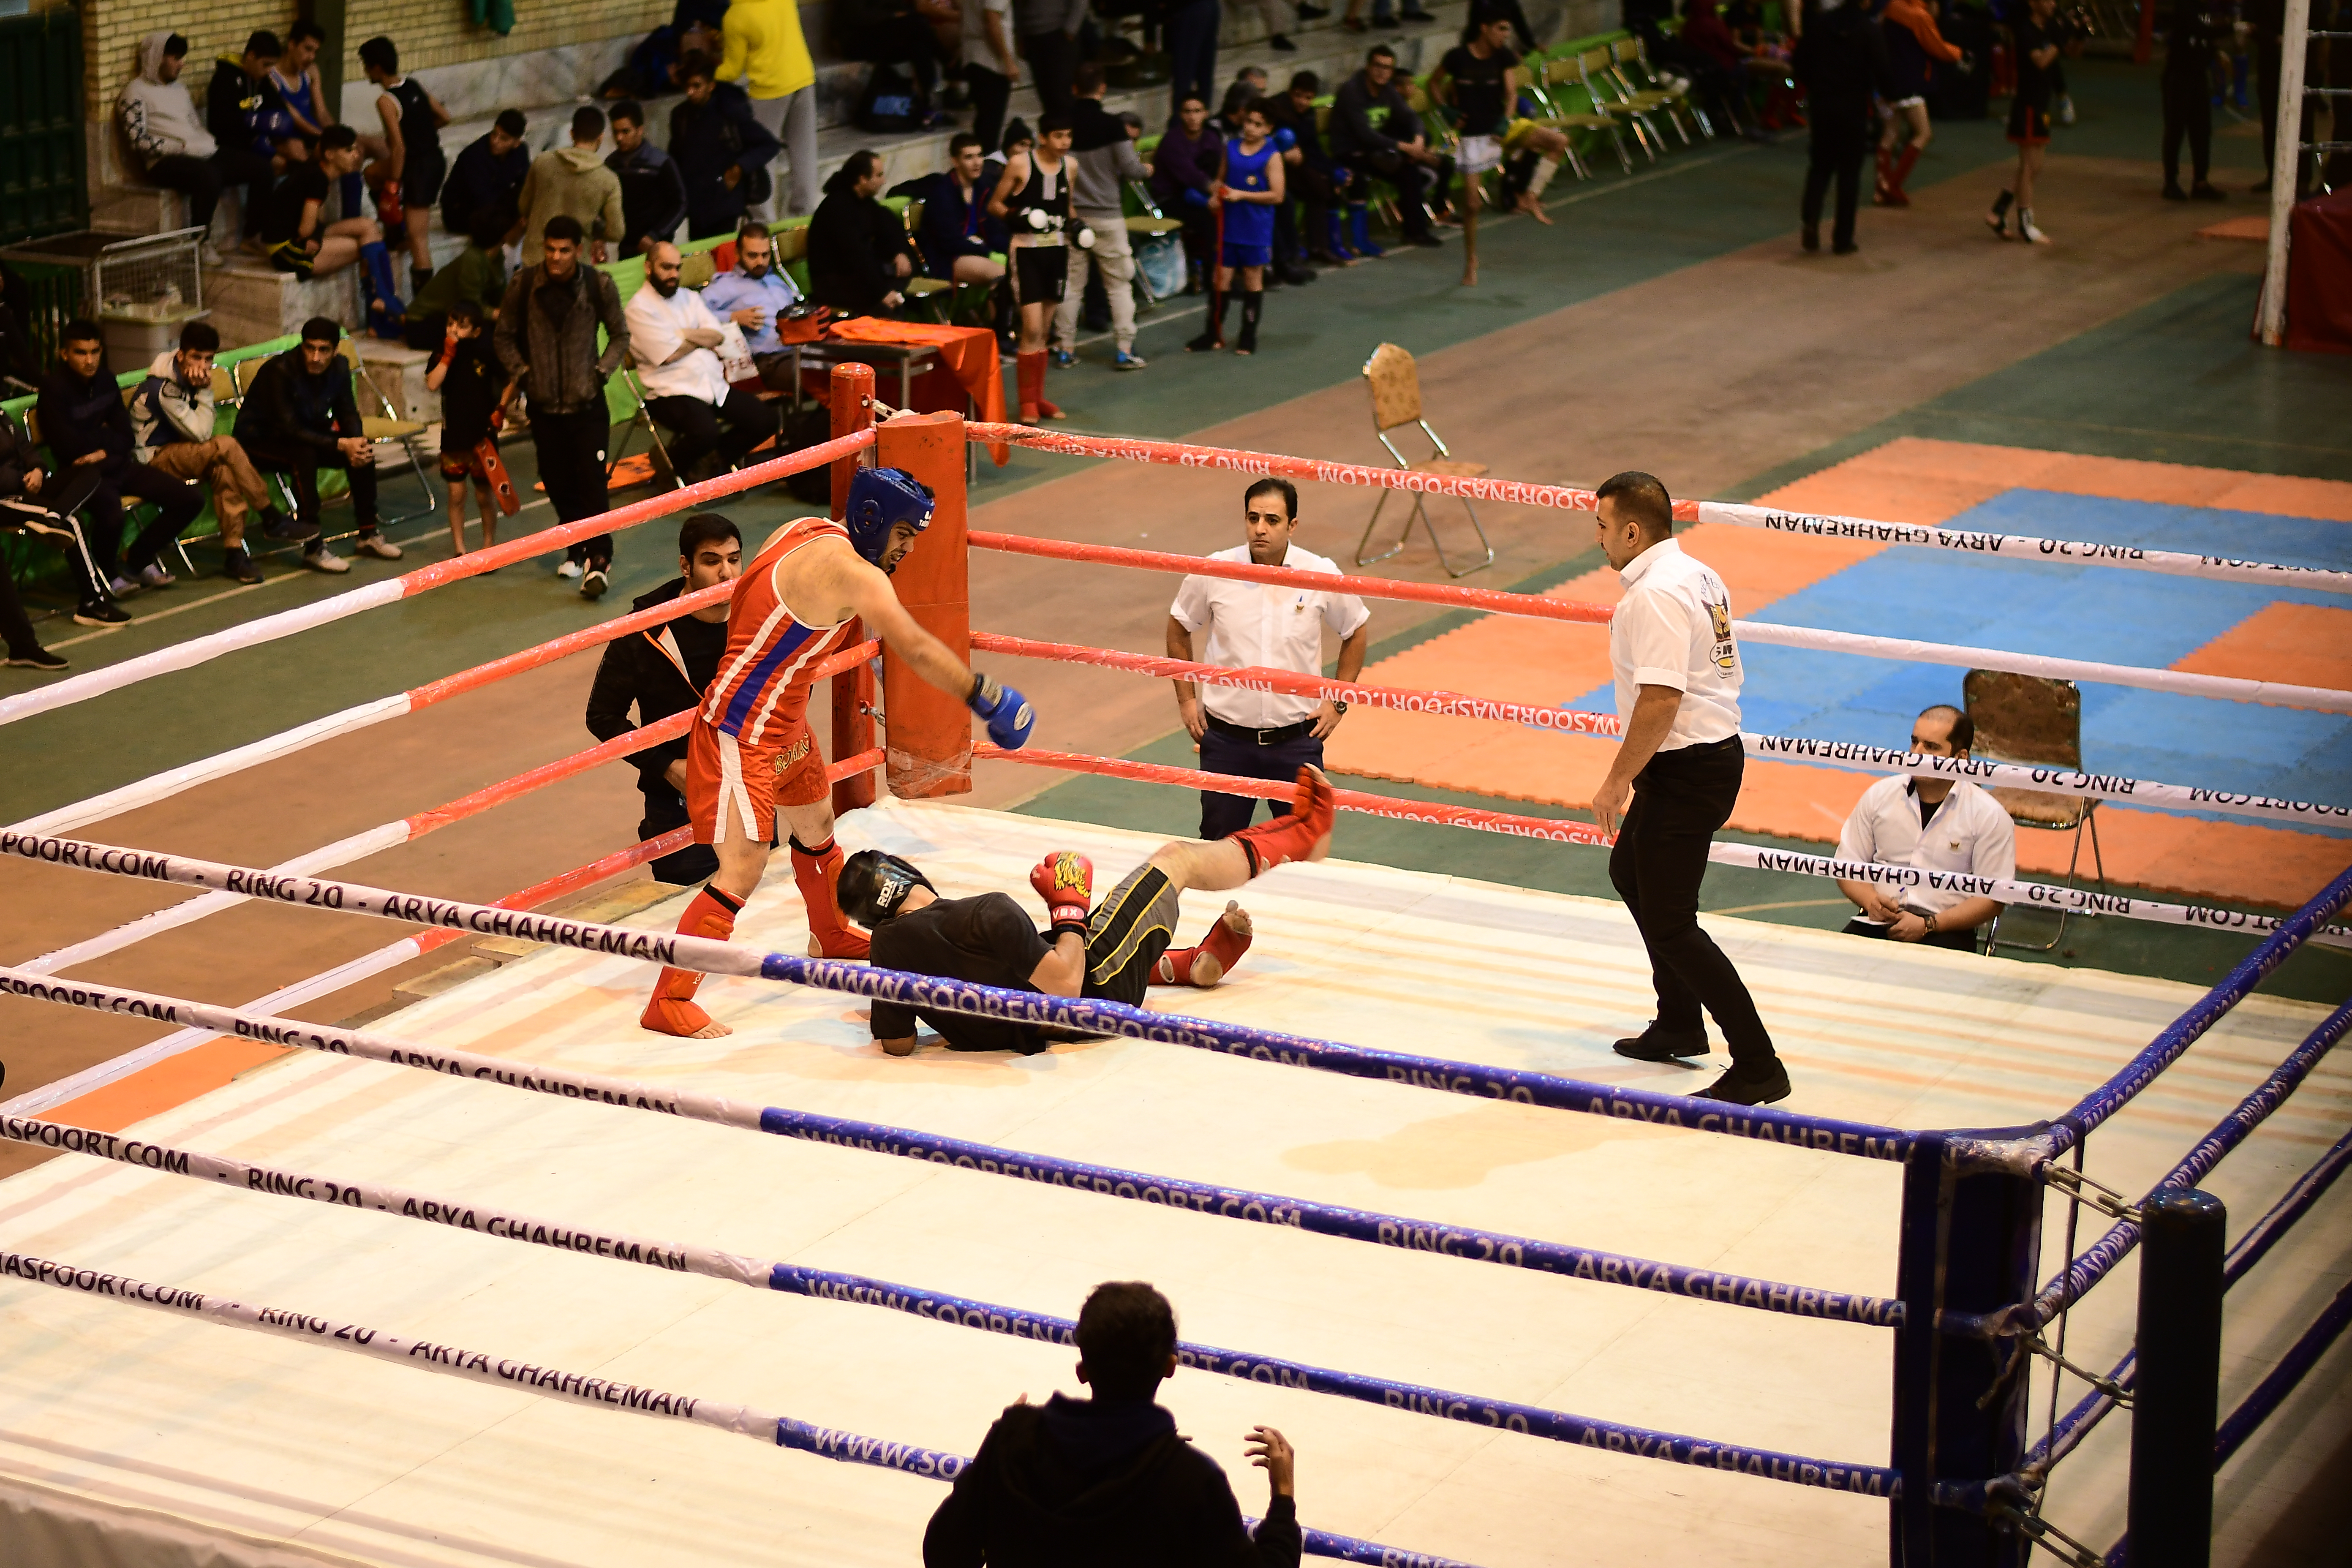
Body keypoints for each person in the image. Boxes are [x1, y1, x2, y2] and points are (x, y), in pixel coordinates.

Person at [637, 469, 1040, 1037]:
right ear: (874, 520)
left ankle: (827, 933)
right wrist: (984, 695)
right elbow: (918, 649)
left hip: (786, 720)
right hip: (741, 729)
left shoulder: (805, 530)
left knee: (818, 822)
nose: (908, 547)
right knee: (743, 868)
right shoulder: (855, 575)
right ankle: (668, 999)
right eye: (904, 533)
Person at [851, 774, 1328, 1051]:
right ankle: (1302, 838)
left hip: (1054, 1018)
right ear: (907, 874)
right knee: (1175, 860)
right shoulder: (989, 913)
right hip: (1098, 991)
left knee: (1040, 944)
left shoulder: (889, 946)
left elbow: (898, 1044)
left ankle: (1181, 965)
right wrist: (1069, 913)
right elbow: (1066, 985)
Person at [1588, 470, 1786, 1107]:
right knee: (1631, 872)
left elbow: (1662, 697)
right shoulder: (1698, 573)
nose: (1596, 539)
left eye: (1601, 526)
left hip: (1689, 765)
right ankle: (1678, 1022)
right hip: (1696, 760)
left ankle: (1758, 1063)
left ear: (1632, 530)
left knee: (1674, 923)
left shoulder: (1655, 594)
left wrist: (1616, 781)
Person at [922, 1281, 1299, 1564]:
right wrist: (1283, 1500)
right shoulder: (1189, 1480)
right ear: (1171, 1366)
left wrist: (994, 1455)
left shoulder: (1014, 1443)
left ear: (1082, 1370)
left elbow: (945, 1555)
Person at [1167, 479, 1368, 838]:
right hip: (1226, 741)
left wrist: (1337, 702)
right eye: (1253, 518)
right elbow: (1179, 626)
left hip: (1296, 743)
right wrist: (1186, 700)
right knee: (1217, 848)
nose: (1260, 529)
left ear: (1292, 525)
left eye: (1272, 520)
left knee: (1302, 847)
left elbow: (1356, 630)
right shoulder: (1215, 570)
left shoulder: (1319, 572)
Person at [586, 514, 745, 887]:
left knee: (761, 915)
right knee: (689, 926)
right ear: (685, 566)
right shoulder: (644, 630)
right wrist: (666, 766)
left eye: (734, 559)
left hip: (749, 793)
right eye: (712, 561)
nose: (727, 573)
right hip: (678, 809)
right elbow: (603, 716)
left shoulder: (758, 616)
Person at [496, 215, 629, 598]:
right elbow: (503, 337)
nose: (556, 257)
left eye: (565, 250)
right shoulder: (522, 285)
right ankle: (577, 543)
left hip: (587, 405)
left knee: (592, 482)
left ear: (579, 250)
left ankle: (599, 561)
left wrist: (600, 373)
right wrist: (524, 375)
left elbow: (620, 334)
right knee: (555, 480)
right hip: (543, 408)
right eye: (551, 249)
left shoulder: (597, 284)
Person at [36, 319, 206, 612]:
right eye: (81, 353)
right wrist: (106, 442)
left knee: (190, 499)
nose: (90, 361)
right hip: (83, 477)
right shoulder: (52, 392)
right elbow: (70, 450)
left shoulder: (106, 381)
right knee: (112, 516)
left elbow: (125, 436)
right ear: (64, 354)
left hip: (118, 466)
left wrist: (103, 449)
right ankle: (108, 572)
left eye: (95, 352)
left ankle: (137, 557)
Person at [234, 318, 407, 574]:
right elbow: (288, 428)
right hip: (258, 439)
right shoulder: (279, 371)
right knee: (303, 457)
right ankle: (313, 548)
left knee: (364, 453)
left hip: (307, 433)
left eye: (323, 350)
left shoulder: (339, 368)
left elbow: (348, 413)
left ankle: (368, 535)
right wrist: (340, 444)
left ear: (335, 350)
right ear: (302, 347)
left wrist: (356, 443)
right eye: (310, 349)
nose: (315, 357)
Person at [1835, 705, 2014, 953]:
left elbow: (1992, 900)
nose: (1917, 754)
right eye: (1914, 742)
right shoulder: (1880, 795)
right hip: (1878, 923)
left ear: (1961, 758)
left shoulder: (1990, 816)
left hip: (1947, 931)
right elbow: (1846, 867)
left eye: (1931, 747)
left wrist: (1929, 925)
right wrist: (1872, 902)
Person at [128, 319, 290, 586]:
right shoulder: (163, 388)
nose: (203, 367)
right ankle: (270, 515)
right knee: (224, 445)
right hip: (152, 460)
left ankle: (234, 553)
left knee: (223, 469)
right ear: (181, 355)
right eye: (196, 357)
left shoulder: (181, 373)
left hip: (179, 450)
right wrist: (205, 391)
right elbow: (202, 434)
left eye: (209, 359)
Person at [628, 240, 781, 484]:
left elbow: (717, 335)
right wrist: (698, 337)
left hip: (711, 385)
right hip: (669, 391)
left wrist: (681, 334)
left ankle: (714, 459)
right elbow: (668, 355)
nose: (673, 275)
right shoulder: (638, 308)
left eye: (677, 268)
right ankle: (670, 467)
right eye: (666, 268)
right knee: (705, 432)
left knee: (766, 420)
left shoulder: (689, 297)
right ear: (648, 268)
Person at [1055, 65, 1152, 371]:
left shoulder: (1063, 127)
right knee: (1119, 285)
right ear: (1102, 89)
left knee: (1072, 285)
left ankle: (1065, 350)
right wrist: (1148, 169)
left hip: (1072, 219)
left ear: (1074, 88)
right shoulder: (1113, 126)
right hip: (1108, 217)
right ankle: (1125, 350)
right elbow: (1132, 170)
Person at [265, 128, 406, 336]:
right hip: (288, 250)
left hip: (298, 237)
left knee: (368, 226)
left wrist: (314, 235)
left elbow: (313, 222)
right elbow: (306, 228)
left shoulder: (319, 172)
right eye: (349, 151)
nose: (357, 156)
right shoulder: (318, 179)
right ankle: (382, 308)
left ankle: (382, 303)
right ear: (331, 155)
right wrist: (311, 236)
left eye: (356, 150)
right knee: (366, 246)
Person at [991, 113, 1079, 418]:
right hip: (1027, 252)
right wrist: (1018, 218)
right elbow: (995, 204)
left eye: (1068, 136)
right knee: (1031, 328)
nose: (1064, 142)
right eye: (1058, 136)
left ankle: (1038, 398)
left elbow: (1068, 207)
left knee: (1044, 331)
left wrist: (1077, 225)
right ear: (1043, 137)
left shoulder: (1072, 166)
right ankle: (1026, 402)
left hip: (1056, 252)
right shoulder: (1021, 164)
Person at [119, 32, 233, 259]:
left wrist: (206, 144)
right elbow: (138, 141)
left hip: (194, 152)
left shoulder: (180, 90)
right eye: (177, 58)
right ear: (158, 58)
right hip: (163, 162)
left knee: (256, 166)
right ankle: (201, 242)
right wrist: (179, 148)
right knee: (208, 175)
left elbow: (195, 124)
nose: (182, 64)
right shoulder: (134, 93)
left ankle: (254, 236)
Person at [1791, 0, 1889, 256]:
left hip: (1822, 103)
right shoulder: (1869, 29)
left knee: (1820, 166)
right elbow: (1882, 68)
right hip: (1853, 105)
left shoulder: (1821, 24)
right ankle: (1843, 238)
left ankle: (1810, 221)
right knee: (1849, 172)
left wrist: (1815, 84)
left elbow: (1799, 61)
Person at [1188, 100, 1283, 354]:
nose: (1251, 128)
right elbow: (1221, 179)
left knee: (1253, 279)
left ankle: (1248, 336)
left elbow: (1277, 195)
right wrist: (1214, 195)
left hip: (1255, 227)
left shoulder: (1272, 155)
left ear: (1268, 128)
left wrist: (1242, 195)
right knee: (1220, 279)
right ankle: (1213, 333)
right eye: (1248, 122)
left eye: (1258, 124)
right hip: (1228, 224)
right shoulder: (1230, 148)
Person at [1330, 46, 1447, 253]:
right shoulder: (1352, 91)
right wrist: (1403, 146)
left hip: (1376, 151)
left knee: (1409, 169)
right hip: (1351, 152)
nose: (1382, 72)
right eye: (1378, 66)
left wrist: (1418, 138)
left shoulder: (1388, 91)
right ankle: (1408, 229)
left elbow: (1410, 116)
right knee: (1404, 163)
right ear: (1368, 67)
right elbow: (1364, 134)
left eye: (1388, 68)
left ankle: (1415, 232)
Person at [357, 37, 449, 293]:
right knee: (372, 173)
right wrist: (422, 133)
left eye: (366, 66)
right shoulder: (415, 85)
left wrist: (393, 185)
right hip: (433, 159)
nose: (365, 72)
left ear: (376, 67)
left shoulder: (386, 101)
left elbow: (398, 147)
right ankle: (394, 232)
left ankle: (423, 303)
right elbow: (444, 117)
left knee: (419, 239)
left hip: (418, 167)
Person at [719, 0, 821, 219]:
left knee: (762, 158)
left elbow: (732, 70)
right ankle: (803, 217)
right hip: (803, 78)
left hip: (769, 90)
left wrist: (705, 74)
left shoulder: (736, 16)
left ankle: (764, 223)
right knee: (804, 153)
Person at [424, 302, 508, 559]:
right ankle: (460, 549)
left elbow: (510, 380)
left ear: (476, 331)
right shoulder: (443, 351)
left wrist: (502, 408)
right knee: (456, 494)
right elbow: (432, 383)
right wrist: (448, 356)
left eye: (462, 326)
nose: (454, 330)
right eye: (451, 324)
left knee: (484, 495)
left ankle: (489, 546)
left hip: (483, 436)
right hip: (454, 436)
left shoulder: (486, 351)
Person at [671, 54, 784, 239]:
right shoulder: (681, 116)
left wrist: (739, 168)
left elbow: (768, 144)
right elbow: (676, 155)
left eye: (697, 86)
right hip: (696, 204)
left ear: (711, 86)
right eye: (687, 87)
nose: (691, 92)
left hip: (725, 204)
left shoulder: (730, 114)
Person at [0, 408, 83, 654]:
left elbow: (26, 449)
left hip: (23, 487)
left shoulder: (3, 415)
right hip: (8, 495)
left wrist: (37, 469)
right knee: (64, 519)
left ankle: (24, 647)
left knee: (87, 482)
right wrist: (20, 478)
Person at [509, 106, 628, 266]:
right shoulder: (608, 180)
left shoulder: (543, 162)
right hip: (574, 265)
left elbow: (523, 207)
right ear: (601, 137)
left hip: (536, 259)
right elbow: (616, 232)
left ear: (572, 134)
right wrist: (595, 229)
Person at [808, 149, 919, 315]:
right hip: (834, 284)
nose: (884, 181)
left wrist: (899, 253)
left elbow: (887, 226)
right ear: (862, 179)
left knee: (903, 277)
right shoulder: (838, 208)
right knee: (885, 306)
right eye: (879, 175)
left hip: (856, 277)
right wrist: (882, 292)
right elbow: (856, 255)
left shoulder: (865, 202)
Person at [702, 221, 808, 391]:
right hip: (768, 361)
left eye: (765, 255)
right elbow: (694, 315)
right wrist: (732, 318)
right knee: (824, 380)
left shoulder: (777, 281)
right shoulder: (724, 286)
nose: (760, 262)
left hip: (799, 351)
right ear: (737, 254)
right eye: (753, 256)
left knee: (844, 371)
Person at [204, 30, 289, 241]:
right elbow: (219, 125)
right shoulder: (224, 80)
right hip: (229, 147)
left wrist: (270, 130)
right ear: (251, 56)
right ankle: (253, 234)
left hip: (252, 142)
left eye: (272, 66)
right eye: (266, 65)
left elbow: (279, 110)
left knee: (296, 155)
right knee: (265, 169)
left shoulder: (261, 80)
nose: (269, 71)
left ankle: (287, 223)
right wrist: (253, 124)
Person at [1874, 0, 1960, 206]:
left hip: (1885, 83)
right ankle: (1892, 186)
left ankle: (1881, 189)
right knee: (1923, 134)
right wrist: (1959, 53)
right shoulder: (1919, 17)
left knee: (1890, 135)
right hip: (1908, 83)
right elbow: (1937, 47)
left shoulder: (1891, 8)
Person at [1987, 0, 2059, 243]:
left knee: (2034, 166)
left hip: (2041, 105)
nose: (2053, 4)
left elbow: (2068, 55)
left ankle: (1997, 212)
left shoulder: (2046, 29)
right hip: (2028, 105)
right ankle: (2026, 225)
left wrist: (2075, 34)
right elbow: (2040, 61)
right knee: (2028, 167)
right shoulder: (2026, 31)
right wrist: (2059, 42)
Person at [1267, 71, 1356, 264]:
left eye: (1308, 98)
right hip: (1275, 171)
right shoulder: (1277, 111)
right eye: (1298, 96)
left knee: (1323, 184)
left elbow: (1311, 149)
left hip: (1300, 167)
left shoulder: (1307, 115)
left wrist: (1334, 169)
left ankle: (1321, 247)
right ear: (1291, 93)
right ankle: (1315, 248)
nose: (1302, 102)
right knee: (1320, 185)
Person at [917, 133, 1012, 291]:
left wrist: (1012, 246)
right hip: (949, 257)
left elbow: (994, 230)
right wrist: (985, 250)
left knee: (1027, 267)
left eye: (980, 156)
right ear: (955, 161)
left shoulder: (984, 188)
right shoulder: (942, 194)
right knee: (1003, 273)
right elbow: (950, 243)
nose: (977, 163)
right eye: (969, 157)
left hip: (979, 249)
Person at [405, 212, 509, 350]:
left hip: (452, 317)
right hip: (423, 324)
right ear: (503, 237)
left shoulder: (496, 257)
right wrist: (498, 314)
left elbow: (500, 294)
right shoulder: (472, 259)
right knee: (482, 336)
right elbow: (471, 306)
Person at [2160, 0, 2232, 201]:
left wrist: (2214, 53)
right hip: (2179, 77)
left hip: (2198, 77)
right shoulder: (2184, 7)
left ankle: (2201, 182)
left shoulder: (2204, 8)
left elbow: (2202, 39)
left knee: (2202, 130)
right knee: (2176, 130)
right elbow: (2200, 31)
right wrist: (2232, 28)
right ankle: (2171, 182)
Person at [1152, 95, 1224, 291]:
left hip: (1199, 195)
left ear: (1206, 114)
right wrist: (1216, 194)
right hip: (1169, 201)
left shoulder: (1210, 137)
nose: (1193, 117)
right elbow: (1191, 176)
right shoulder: (1172, 141)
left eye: (1198, 111)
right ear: (1180, 115)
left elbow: (1221, 168)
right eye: (1188, 112)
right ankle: (1211, 277)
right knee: (1209, 219)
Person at [606, 101, 688, 258]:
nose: (619, 138)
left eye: (625, 132)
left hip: (657, 247)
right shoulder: (612, 164)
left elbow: (680, 203)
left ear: (640, 130)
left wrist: (656, 234)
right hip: (626, 247)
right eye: (615, 132)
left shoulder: (661, 162)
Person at [441, 109, 531, 242]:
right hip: (463, 212)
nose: (495, 141)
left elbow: (525, 185)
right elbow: (482, 200)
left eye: (503, 139)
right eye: (495, 134)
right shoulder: (475, 156)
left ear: (516, 143)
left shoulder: (520, 152)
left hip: (495, 205)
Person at [958, 0, 1019, 153]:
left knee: (984, 123)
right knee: (990, 126)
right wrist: (1008, 61)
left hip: (973, 56)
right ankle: (986, 168)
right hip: (990, 61)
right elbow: (992, 22)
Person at [1014, 0, 1086, 116]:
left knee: (1062, 93)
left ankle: (1069, 130)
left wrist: (1070, 30)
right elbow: (1018, 6)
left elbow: (1081, 3)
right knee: (1045, 93)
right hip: (1031, 34)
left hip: (1059, 32)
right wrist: (1020, 36)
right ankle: (1054, 130)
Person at [1167, 0, 1222, 112]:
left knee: (1184, 75)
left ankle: (1181, 123)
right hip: (1209, 7)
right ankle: (1202, 119)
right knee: (1205, 73)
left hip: (1191, 9)